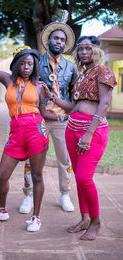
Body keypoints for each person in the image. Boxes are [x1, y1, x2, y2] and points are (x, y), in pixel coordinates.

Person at [0, 46, 63, 232]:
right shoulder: (8, 80)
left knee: (36, 175)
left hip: (36, 131)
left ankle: (36, 217)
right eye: (23, 63)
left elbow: (43, 112)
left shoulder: (40, 86)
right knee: (1, 175)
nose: (27, 67)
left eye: (30, 64)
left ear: (35, 66)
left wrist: (60, 117)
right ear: (17, 64)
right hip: (16, 132)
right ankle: (2, 211)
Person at [43, 35, 117, 240]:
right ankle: (84, 218)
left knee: (85, 177)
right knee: (79, 177)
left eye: (88, 48)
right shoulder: (83, 74)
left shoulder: (103, 71)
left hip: (91, 132)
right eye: (80, 49)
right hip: (72, 130)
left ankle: (96, 222)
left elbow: (103, 104)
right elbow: (75, 106)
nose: (83, 52)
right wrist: (54, 98)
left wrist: (89, 134)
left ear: (96, 50)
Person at [19, 13, 78, 214]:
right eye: (56, 38)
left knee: (65, 159)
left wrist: (69, 109)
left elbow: (74, 96)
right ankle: (28, 195)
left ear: (65, 43)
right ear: (49, 40)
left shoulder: (71, 67)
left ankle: (65, 194)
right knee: (31, 158)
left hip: (62, 119)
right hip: (37, 118)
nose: (59, 42)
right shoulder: (35, 62)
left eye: (62, 39)